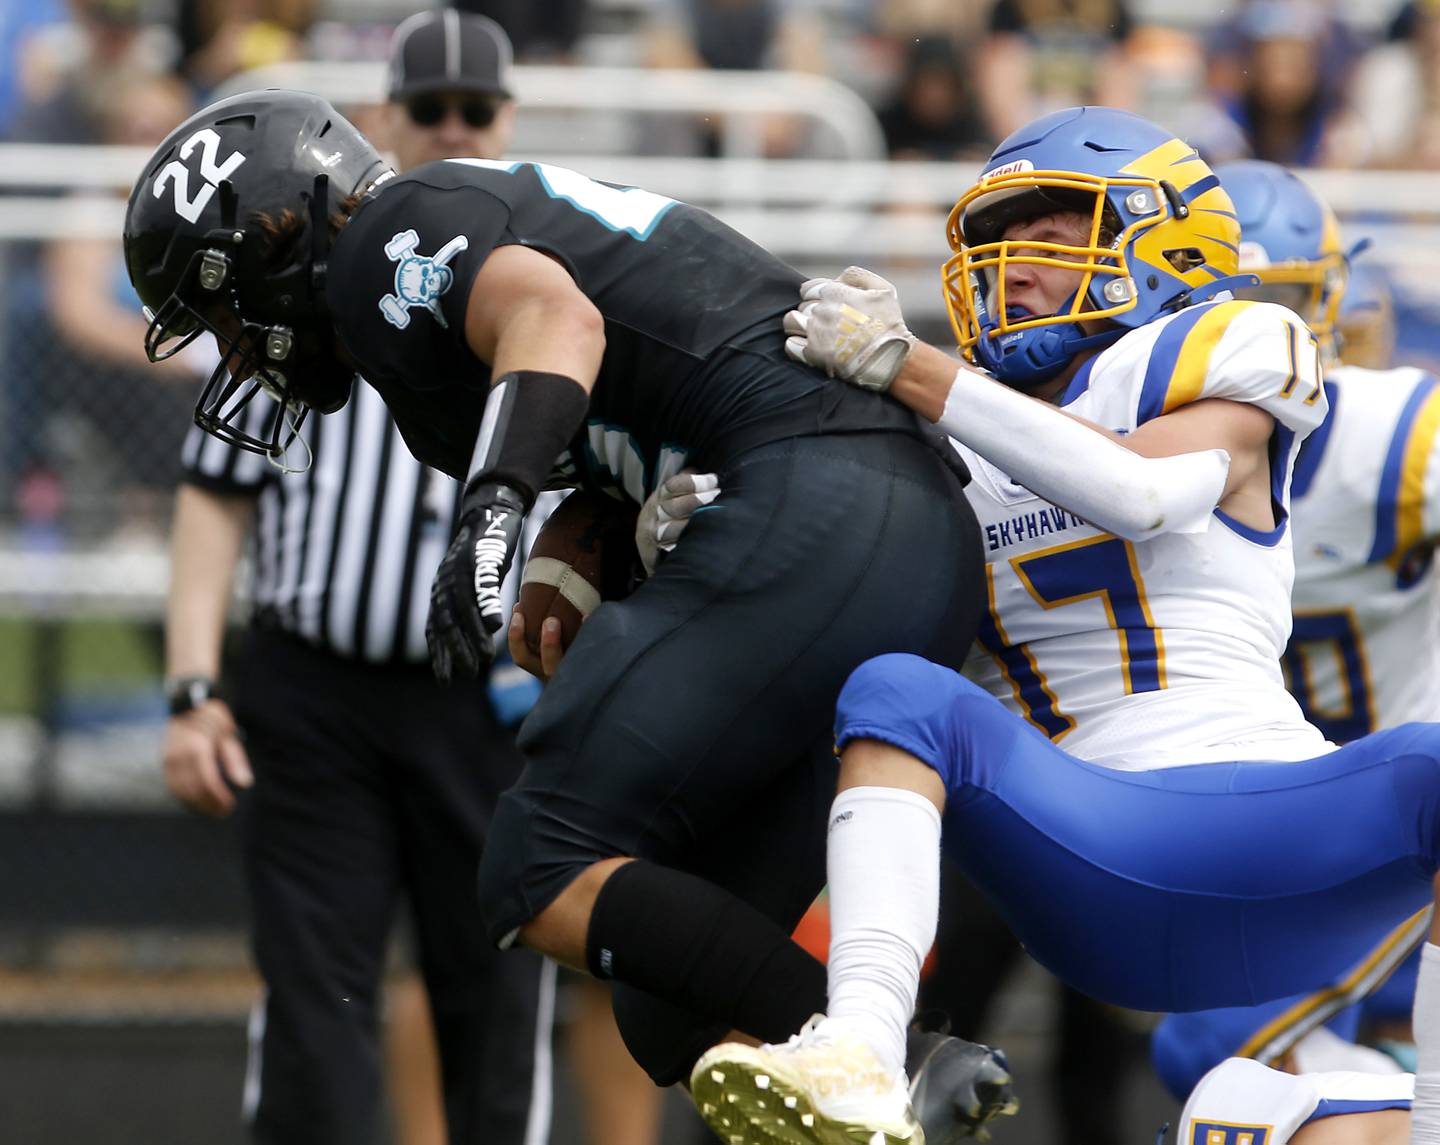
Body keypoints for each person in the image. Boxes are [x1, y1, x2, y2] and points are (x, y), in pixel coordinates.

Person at [123, 83, 1013, 1140]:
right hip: (893, 533)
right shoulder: (441, 253)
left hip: (819, 499)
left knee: (535, 859)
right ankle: (911, 1070)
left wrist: (495, 509)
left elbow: (558, 315)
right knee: (670, 1007)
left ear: (274, 234)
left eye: (223, 309)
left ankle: (899, 1063)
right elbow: (638, 384)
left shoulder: (384, 240)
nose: (234, 351)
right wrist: (587, 530)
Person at [691, 105, 1440, 1145]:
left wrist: (916, 371)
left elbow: (1140, 490)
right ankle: (859, 1048)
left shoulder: (1227, 338)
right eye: (1002, 246)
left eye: (1052, 237)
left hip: (1267, 829)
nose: (1016, 269)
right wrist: (703, 530)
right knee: (901, 691)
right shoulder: (930, 423)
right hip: (1077, 845)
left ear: (1163, 239)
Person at [159, 14, 554, 1144]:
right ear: (382, 118)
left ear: (507, 122)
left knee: (493, 1011)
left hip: (486, 705)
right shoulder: (300, 266)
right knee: (314, 1014)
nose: (449, 128)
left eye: (472, 110)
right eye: (426, 107)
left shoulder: (550, 270)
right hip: (313, 694)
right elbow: (213, 488)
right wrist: (192, 686)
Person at [1148, 162, 1440, 1099]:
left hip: (1403, 802)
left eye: (1274, 302)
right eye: (1218, 301)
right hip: (1273, 820)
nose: (1245, 332)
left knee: (1211, 1053)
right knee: (1222, 1059)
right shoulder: (1126, 451)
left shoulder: (1393, 435)